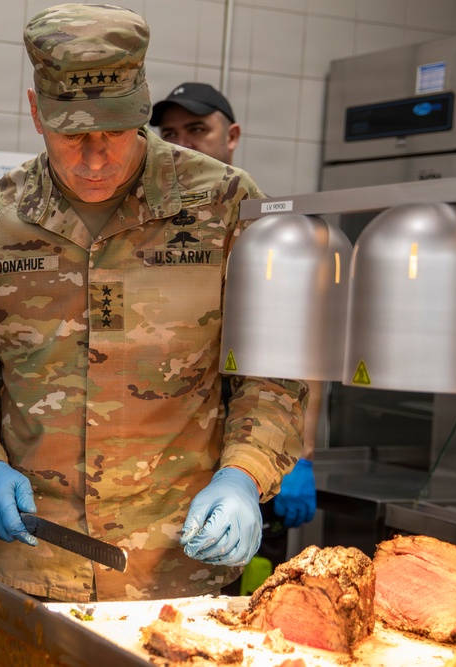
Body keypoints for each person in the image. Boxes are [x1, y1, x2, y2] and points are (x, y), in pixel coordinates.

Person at [0, 2, 307, 604]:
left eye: (116, 131)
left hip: (179, 563)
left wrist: (244, 473)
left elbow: (272, 366)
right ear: (35, 112)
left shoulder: (224, 204)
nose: (96, 157)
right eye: (72, 135)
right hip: (31, 562)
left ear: (143, 108)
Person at [150, 82, 320, 589]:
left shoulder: (259, 224)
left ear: (232, 136)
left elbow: (296, 351)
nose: (183, 144)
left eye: (198, 129)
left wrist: (299, 457)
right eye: (170, 133)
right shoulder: (152, 227)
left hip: (248, 458)